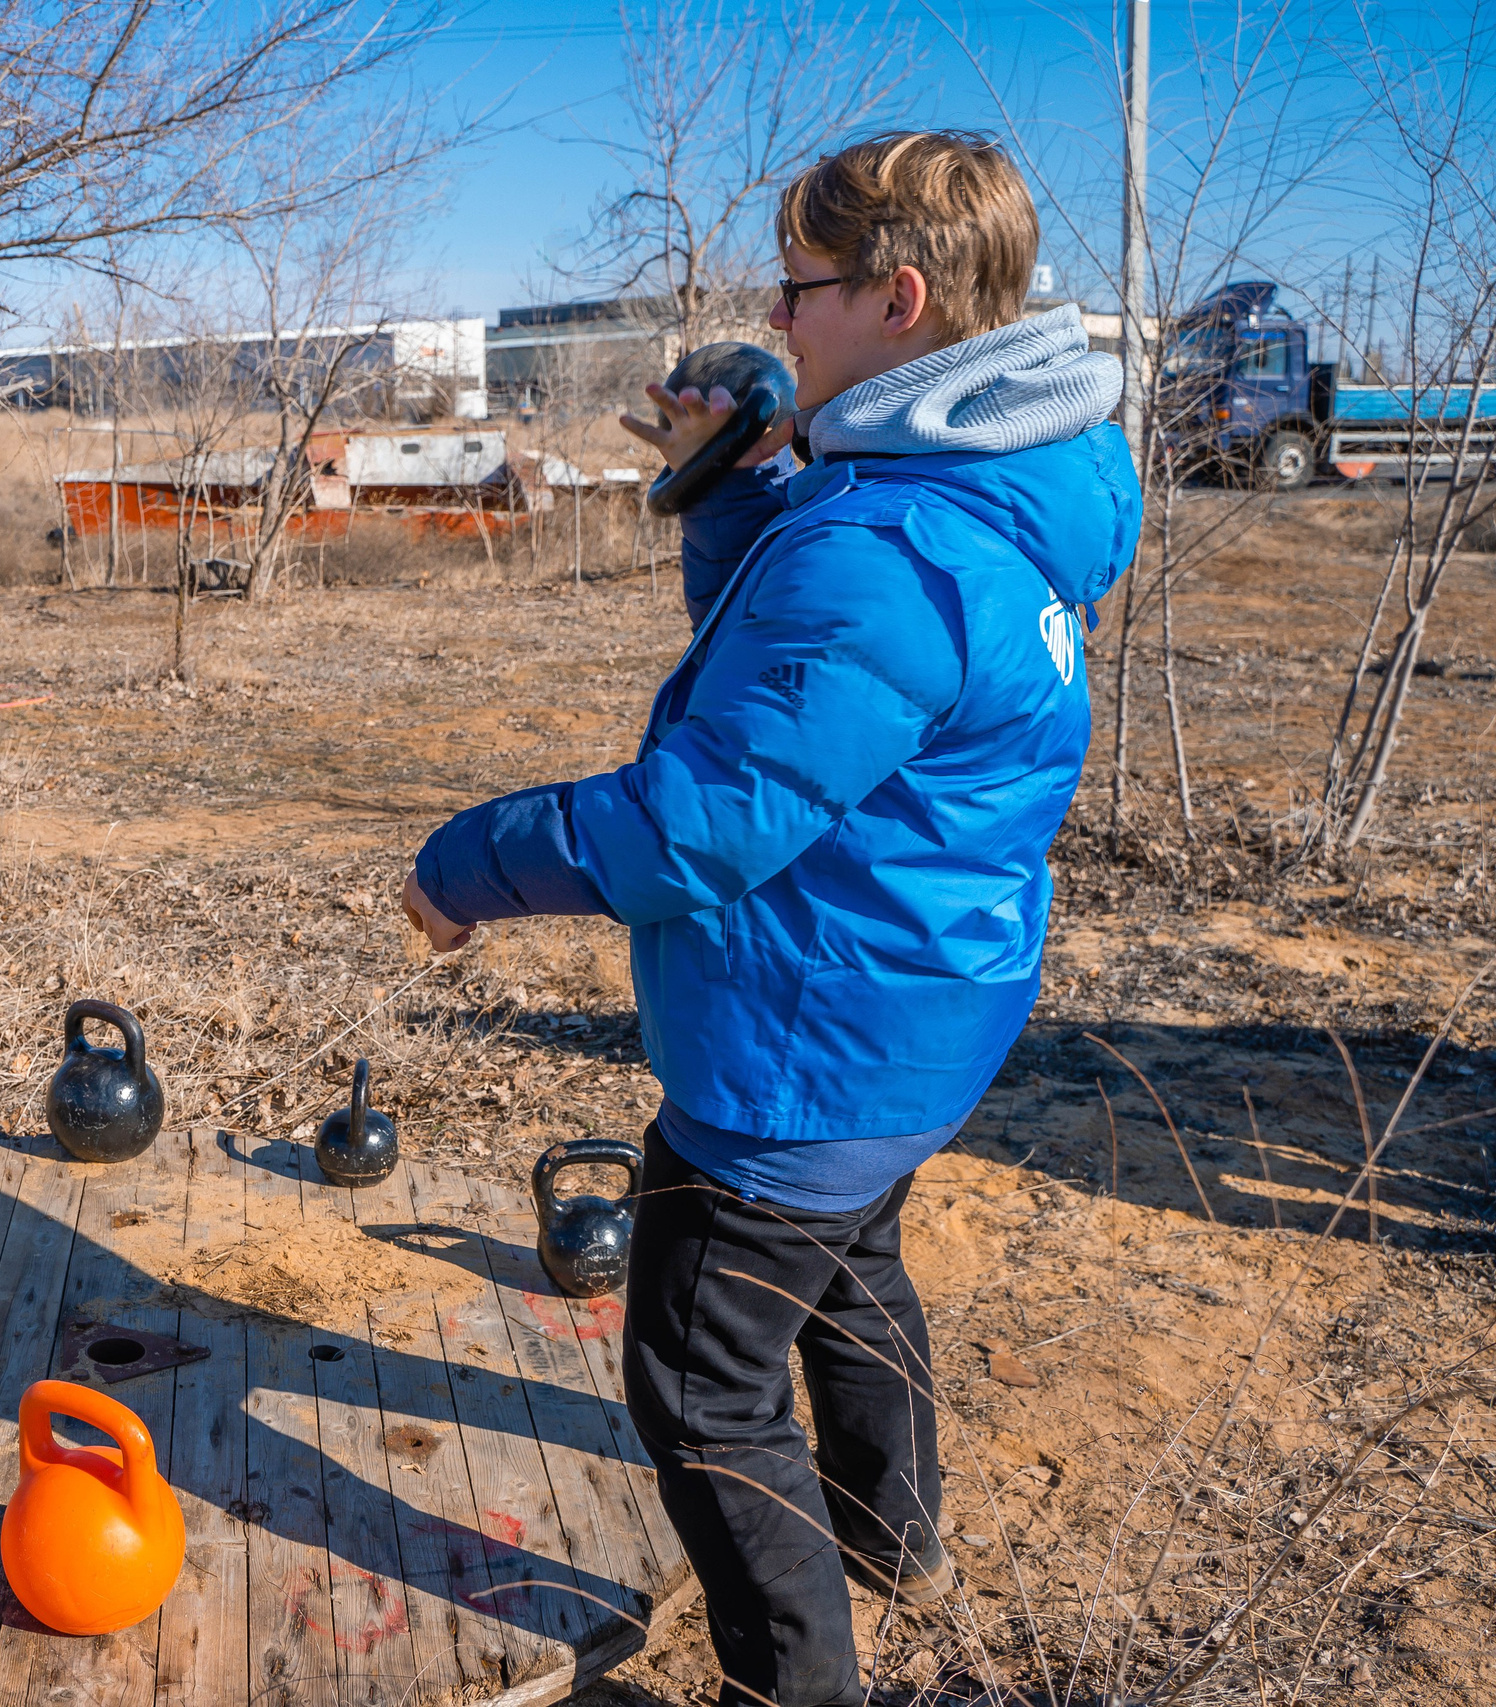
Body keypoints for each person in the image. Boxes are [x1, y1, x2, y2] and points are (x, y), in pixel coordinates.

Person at [399, 131, 1137, 1707]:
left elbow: (693, 825)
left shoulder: (886, 549)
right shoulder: (997, 487)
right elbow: (793, 690)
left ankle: (794, 1685)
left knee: (703, 1399)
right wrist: (734, 481)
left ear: (904, 300)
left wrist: (461, 867)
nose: (780, 318)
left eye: (801, 287)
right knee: (853, 1264)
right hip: (919, 1008)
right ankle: (895, 1538)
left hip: (805, 1051)